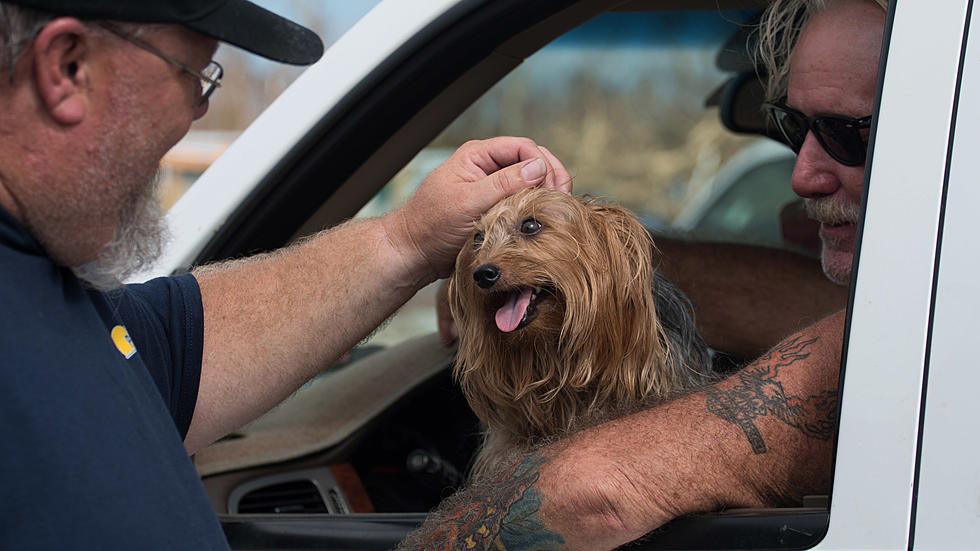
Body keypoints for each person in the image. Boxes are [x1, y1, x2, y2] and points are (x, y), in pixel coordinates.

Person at [0, 1, 572, 548]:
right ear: (67, 67)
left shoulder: (59, 295)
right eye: (195, 76)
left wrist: (411, 240)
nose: (198, 110)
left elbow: (183, 345)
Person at [403, 0, 885, 549]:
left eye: (850, 133)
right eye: (792, 127)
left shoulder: (896, 343)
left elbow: (595, 495)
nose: (800, 177)